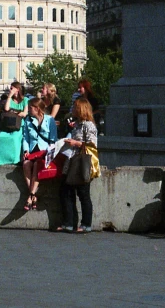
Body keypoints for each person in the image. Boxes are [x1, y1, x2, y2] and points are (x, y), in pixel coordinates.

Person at [58, 96, 98, 233]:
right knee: (66, 191)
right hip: (72, 159)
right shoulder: (77, 124)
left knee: (83, 193)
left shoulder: (88, 125)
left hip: (82, 161)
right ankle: (69, 222)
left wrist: (76, 143)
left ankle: (86, 224)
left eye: (75, 107)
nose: (72, 109)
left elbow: (92, 145)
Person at [21, 97, 57, 211]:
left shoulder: (49, 120)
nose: (28, 110)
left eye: (30, 107)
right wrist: (26, 150)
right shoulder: (28, 120)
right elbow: (25, 138)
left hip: (45, 151)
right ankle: (33, 196)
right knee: (26, 164)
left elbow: (53, 139)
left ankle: (30, 197)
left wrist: (49, 152)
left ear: (36, 108)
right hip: (32, 151)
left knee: (37, 165)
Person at [0, 83, 29, 166]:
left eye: (11, 88)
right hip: (8, 124)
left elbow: (24, 113)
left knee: (15, 138)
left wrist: (13, 112)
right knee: (1, 137)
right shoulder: (10, 99)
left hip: (19, 124)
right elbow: (6, 109)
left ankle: (14, 160)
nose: (10, 90)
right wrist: (9, 96)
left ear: (17, 89)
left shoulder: (25, 100)